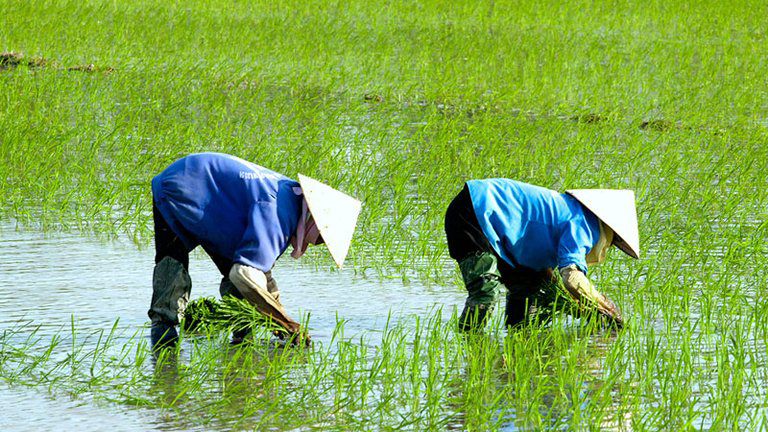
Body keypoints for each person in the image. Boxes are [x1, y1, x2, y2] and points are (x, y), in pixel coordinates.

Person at [148, 152, 361, 348]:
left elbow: (259, 270)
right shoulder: (278, 212)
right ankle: (163, 335)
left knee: (239, 268)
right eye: (321, 238)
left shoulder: (290, 199)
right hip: (184, 184)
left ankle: (241, 337)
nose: (317, 244)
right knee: (174, 260)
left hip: (199, 183)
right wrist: (285, 323)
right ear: (314, 220)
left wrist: (281, 319)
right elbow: (245, 275)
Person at [444, 179, 640, 331]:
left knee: (532, 293)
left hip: (497, 227)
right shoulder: (584, 224)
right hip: (474, 210)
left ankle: (517, 351)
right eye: (614, 242)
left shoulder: (576, 214)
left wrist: (572, 302)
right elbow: (572, 277)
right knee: (485, 292)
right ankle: (468, 345)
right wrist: (605, 308)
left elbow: (546, 276)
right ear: (609, 229)